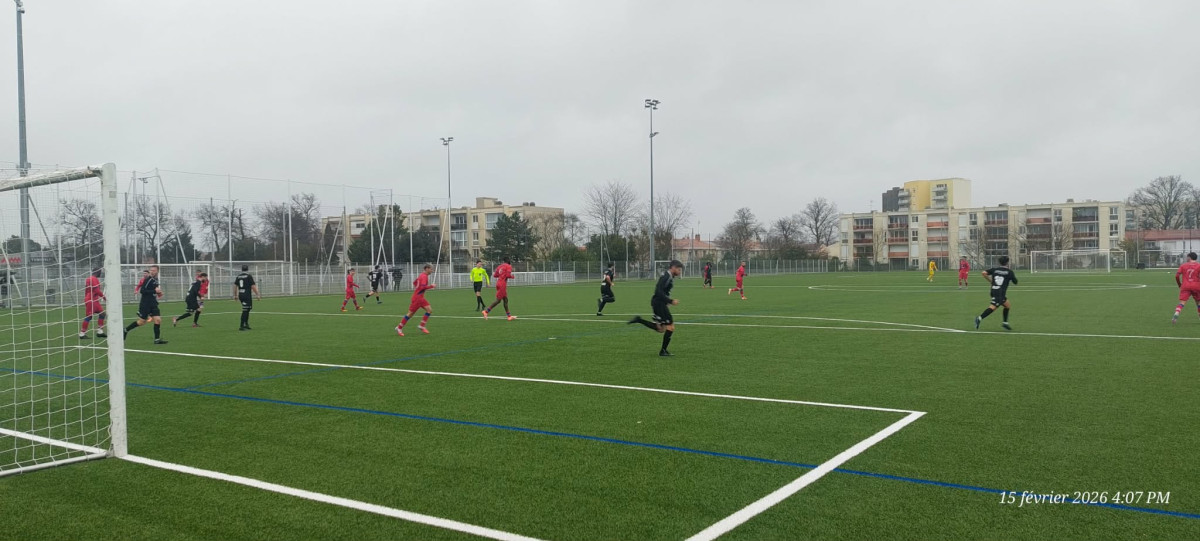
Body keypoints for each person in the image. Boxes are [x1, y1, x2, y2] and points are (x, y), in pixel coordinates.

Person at [628, 259, 684, 356]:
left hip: (659, 303)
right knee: (670, 326)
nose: (679, 272)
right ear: (673, 268)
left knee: (661, 329)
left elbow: (662, 291)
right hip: (659, 304)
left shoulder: (668, 276)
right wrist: (670, 301)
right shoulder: (666, 277)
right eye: (679, 270)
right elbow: (658, 291)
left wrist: (667, 300)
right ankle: (663, 351)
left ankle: (639, 320)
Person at [123, 265, 167, 344]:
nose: (152, 272)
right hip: (145, 304)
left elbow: (155, 291)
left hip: (153, 303)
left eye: (154, 270)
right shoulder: (148, 280)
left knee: (158, 320)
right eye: (151, 270)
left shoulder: (156, 279)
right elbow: (142, 291)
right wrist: (154, 291)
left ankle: (157, 340)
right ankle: (125, 330)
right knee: (142, 322)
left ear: (157, 271)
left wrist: (159, 293)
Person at [975, 256, 1018, 330]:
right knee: (993, 307)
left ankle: (1005, 323)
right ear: (1007, 263)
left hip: (994, 290)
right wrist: (1011, 277)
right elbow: (1015, 282)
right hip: (999, 293)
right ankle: (979, 318)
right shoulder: (1009, 272)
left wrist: (991, 281)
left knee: (1007, 305)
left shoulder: (995, 270)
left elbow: (984, 273)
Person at [396, 264, 436, 336]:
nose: (432, 271)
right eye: (431, 269)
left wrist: (417, 289)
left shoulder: (422, 275)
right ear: (427, 268)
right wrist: (431, 286)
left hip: (420, 297)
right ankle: (399, 328)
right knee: (410, 314)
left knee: (429, 310)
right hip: (417, 298)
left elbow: (415, 282)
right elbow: (422, 287)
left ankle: (421, 326)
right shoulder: (424, 276)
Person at [79, 267, 107, 339]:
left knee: (102, 314)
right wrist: (104, 297)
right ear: (97, 272)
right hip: (91, 300)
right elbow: (97, 290)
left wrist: (86, 298)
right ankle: (82, 333)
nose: (101, 274)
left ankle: (100, 332)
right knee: (89, 316)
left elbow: (86, 290)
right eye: (100, 272)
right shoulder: (93, 279)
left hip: (93, 300)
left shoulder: (89, 278)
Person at [1172, 252, 1200, 323]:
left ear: (1189, 257)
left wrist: (1179, 284)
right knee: (1198, 302)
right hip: (1196, 286)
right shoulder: (1199, 265)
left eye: (1187, 257)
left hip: (1185, 286)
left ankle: (1177, 312)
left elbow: (1177, 276)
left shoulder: (1183, 265)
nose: (1186, 258)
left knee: (1182, 302)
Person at [235, 264, 262, 330]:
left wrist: (235, 295)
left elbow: (235, 286)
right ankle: (241, 326)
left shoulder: (238, 276)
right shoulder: (248, 276)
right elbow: (253, 286)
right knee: (245, 310)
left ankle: (246, 324)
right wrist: (257, 294)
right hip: (246, 295)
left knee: (248, 309)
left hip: (241, 294)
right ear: (247, 269)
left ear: (242, 269)